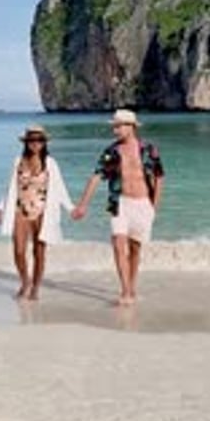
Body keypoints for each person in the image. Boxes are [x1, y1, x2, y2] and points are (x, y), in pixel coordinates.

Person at [72, 109, 164, 306]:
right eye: (115, 126)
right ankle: (125, 290)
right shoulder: (111, 152)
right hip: (119, 203)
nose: (115, 130)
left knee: (135, 248)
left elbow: (159, 177)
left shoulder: (149, 149)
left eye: (119, 126)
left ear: (131, 127)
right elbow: (96, 176)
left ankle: (132, 286)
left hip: (142, 204)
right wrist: (82, 205)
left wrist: (154, 206)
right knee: (117, 244)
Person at [0, 125, 74, 300]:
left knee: (39, 252)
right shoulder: (18, 161)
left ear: (44, 143)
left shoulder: (51, 163)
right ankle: (25, 281)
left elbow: (60, 189)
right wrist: (0, 207)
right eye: (32, 140)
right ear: (26, 142)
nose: (35, 143)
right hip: (19, 210)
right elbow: (9, 187)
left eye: (39, 140)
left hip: (42, 212)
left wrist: (71, 209)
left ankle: (36, 287)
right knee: (19, 251)